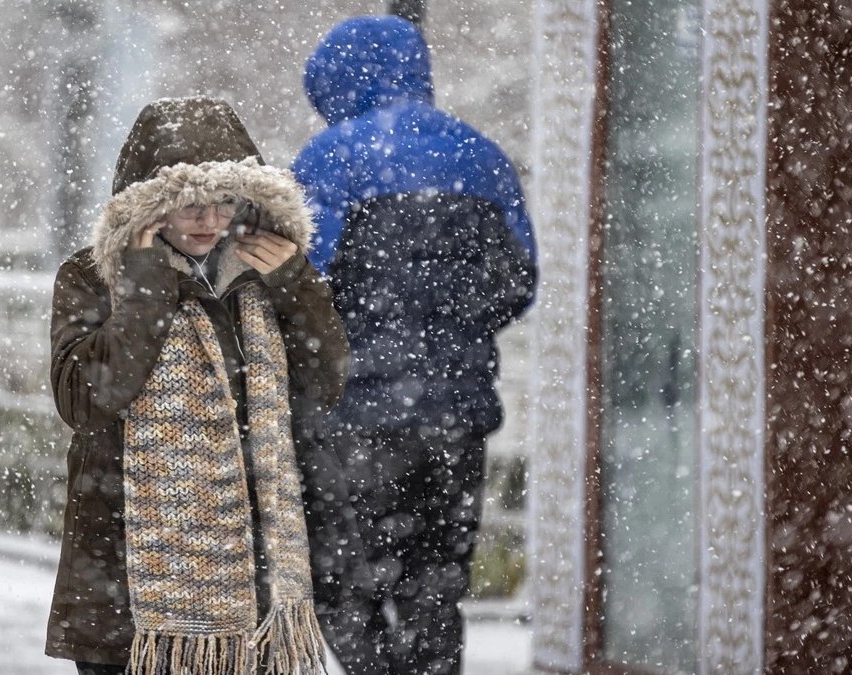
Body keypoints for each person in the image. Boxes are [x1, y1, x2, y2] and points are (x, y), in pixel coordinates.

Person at [45, 96, 353, 675]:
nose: (209, 222)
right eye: (189, 205)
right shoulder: (91, 279)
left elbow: (327, 384)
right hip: (126, 584)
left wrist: (295, 285)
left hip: (250, 587)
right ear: (146, 207)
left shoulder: (265, 277)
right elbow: (87, 398)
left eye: (224, 202)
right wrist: (144, 284)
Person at [291, 16, 538, 675]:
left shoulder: (329, 160)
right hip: (457, 414)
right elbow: (518, 283)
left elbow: (300, 285)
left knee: (347, 582)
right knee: (436, 588)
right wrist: (446, 339)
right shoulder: (484, 158)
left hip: (356, 418)